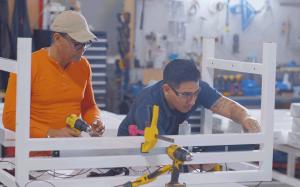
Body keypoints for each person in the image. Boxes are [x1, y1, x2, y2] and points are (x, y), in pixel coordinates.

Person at [2, 10, 104, 138]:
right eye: (77, 44)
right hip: (33, 151)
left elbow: (89, 106)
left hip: (69, 148)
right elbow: (10, 117)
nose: (82, 50)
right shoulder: (28, 65)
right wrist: (50, 132)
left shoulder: (83, 66)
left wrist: (94, 120)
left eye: (85, 44)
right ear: (57, 38)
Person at [118, 59, 260, 136]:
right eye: (186, 95)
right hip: (132, 155)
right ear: (167, 89)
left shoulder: (193, 89)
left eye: (196, 94)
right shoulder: (148, 105)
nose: (192, 101)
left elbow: (227, 106)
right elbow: (158, 148)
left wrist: (245, 117)